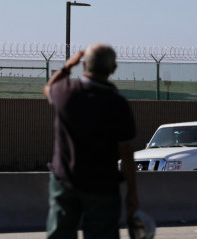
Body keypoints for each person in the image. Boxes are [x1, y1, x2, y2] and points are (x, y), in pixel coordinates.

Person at [44, 43, 138, 239]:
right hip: (102, 186)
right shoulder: (117, 104)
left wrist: (68, 66)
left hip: (65, 181)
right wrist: (132, 191)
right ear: (113, 69)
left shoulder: (65, 92)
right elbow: (126, 152)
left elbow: (48, 88)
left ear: (85, 65)